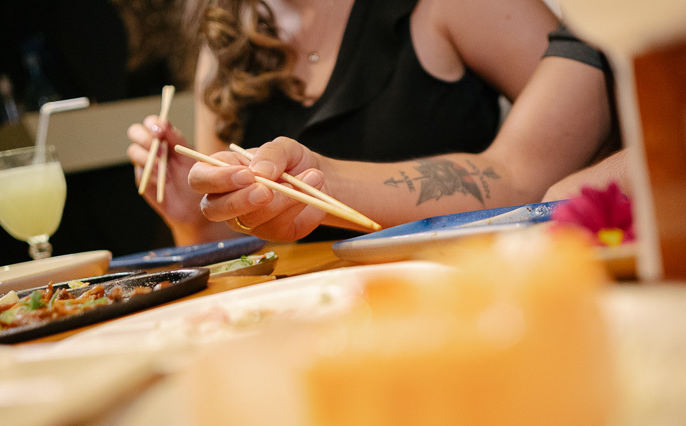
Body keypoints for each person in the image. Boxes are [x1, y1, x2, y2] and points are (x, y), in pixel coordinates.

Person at [127, 0, 619, 244]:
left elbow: (545, 165)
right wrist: (191, 215)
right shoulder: (229, 30)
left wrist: (324, 180)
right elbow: (236, 244)